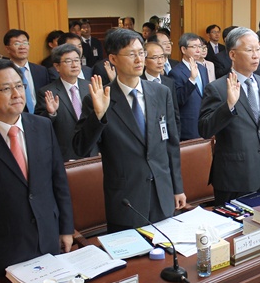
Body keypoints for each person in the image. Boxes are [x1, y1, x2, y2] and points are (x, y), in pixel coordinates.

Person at [0, 59, 74, 278]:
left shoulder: (42, 125)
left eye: (19, 86)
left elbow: (59, 181)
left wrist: (66, 228)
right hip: (4, 247)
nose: (16, 94)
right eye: (6, 88)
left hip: (47, 235)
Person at [73, 28, 186, 232]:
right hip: (126, 200)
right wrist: (98, 115)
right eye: (131, 54)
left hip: (162, 194)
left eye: (141, 53)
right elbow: (81, 147)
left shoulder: (161, 92)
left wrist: (177, 188)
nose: (139, 59)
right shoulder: (99, 98)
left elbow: (171, 144)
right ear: (113, 59)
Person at [198, 27, 260, 205]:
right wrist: (229, 106)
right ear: (232, 55)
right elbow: (204, 129)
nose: (256, 55)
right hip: (233, 177)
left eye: (258, 50)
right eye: (250, 50)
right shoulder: (217, 88)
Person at [35, 44, 98, 161]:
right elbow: (39, 126)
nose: (74, 65)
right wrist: (51, 113)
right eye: (68, 61)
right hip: (66, 154)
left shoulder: (90, 86)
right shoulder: (47, 92)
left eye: (76, 60)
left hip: (93, 151)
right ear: (57, 66)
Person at [170, 33, 210, 141]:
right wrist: (191, 80)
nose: (199, 50)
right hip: (188, 126)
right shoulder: (176, 72)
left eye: (200, 46)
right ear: (183, 49)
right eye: (194, 47)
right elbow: (178, 100)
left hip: (205, 123)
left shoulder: (202, 69)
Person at [3, 29, 51, 113]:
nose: (22, 47)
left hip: (41, 117)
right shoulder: (4, 73)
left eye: (25, 43)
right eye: (17, 44)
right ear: (7, 49)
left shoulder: (41, 70)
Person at [142, 41, 181, 136]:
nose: (160, 61)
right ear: (144, 61)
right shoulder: (139, 82)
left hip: (166, 134)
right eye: (155, 58)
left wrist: (176, 136)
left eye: (162, 57)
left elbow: (175, 112)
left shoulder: (169, 82)